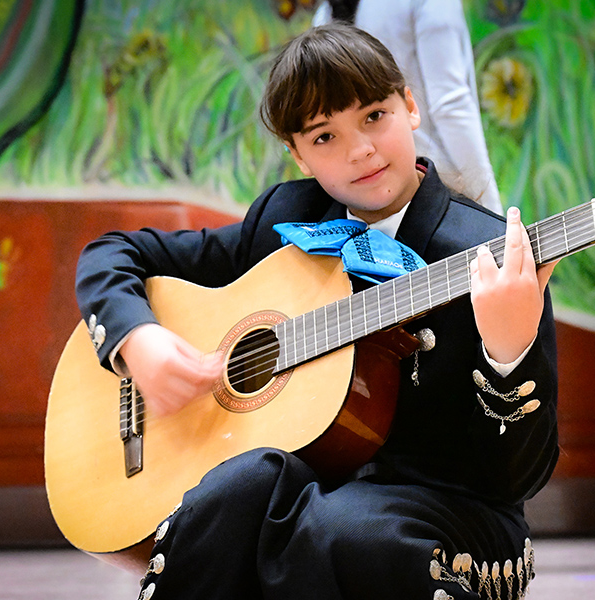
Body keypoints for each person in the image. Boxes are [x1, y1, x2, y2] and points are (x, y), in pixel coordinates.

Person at [75, 24, 559, 599]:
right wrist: (138, 340)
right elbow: (114, 253)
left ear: (410, 106)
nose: (360, 150)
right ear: (297, 154)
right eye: (324, 137)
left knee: (338, 528)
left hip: (445, 511)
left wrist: (511, 354)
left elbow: (517, 478)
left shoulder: (486, 253)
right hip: (310, 494)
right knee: (235, 488)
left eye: (374, 116)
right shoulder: (287, 220)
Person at [312, 0, 503, 214]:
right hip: (441, 186)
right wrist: (489, 204)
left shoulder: (323, 18)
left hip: (386, 196)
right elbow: (450, 104)